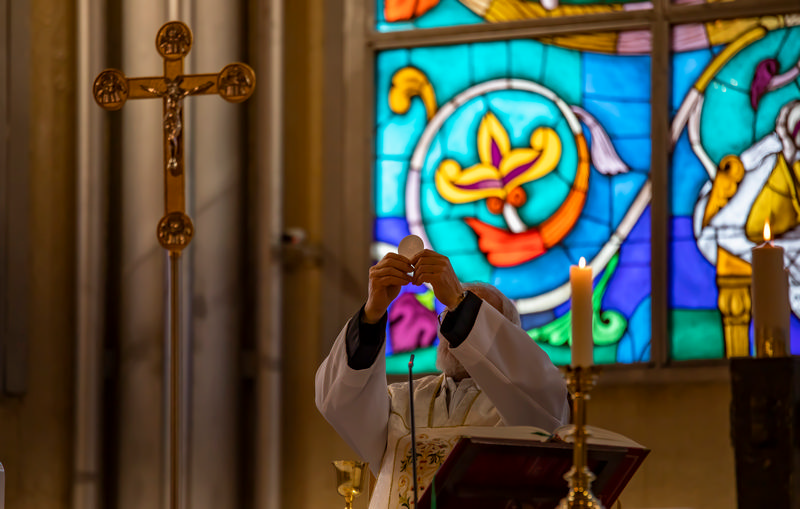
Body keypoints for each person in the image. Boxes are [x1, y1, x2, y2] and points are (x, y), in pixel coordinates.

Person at [315, 249, 569, 508]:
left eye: (466, 316)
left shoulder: (525, 406)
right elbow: (338, 400)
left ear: (508, 339)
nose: (451, 329)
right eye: (448, 316)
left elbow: (544, 399)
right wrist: (372, 313)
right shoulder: (399, 401)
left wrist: (459, 301)